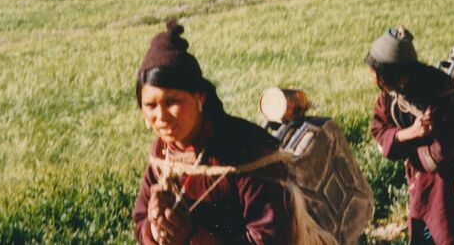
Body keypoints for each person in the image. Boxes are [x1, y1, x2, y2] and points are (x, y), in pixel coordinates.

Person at [132, 20, 329, 244]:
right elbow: (140, 221)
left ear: (200, 97)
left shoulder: (245, 154)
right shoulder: (163, 154)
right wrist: (156, 229)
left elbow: (270, 239)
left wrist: (193, 236)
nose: (162, 115)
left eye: (172, 101)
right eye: (150, 105)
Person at [366, 26, 454, 245]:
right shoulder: (389, 97)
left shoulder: (439, 91)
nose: (373, 77)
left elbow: (441, 153)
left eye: (376, 72)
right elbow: (379, 129)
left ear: (391, 73)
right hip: (426, 187)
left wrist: (405, 148)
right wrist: (410, 134)